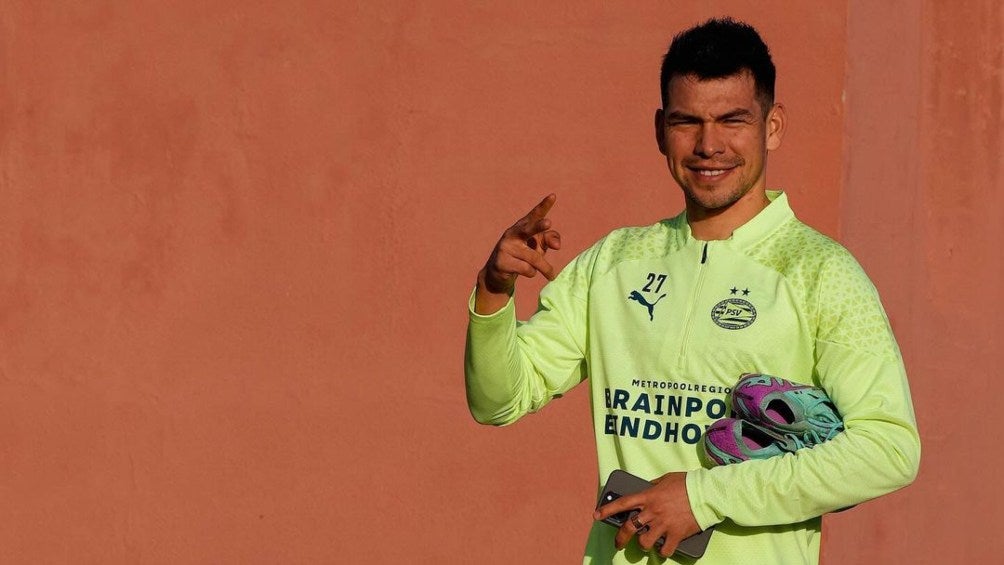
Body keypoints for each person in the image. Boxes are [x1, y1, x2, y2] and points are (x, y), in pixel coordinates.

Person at [464, 17, 920, 564]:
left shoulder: (822, 272)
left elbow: (888, 450)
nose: (708, 145)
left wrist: (703, 498)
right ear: (661, 130)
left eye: (733, 120)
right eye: (687, 122)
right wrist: (494, 293)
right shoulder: (613, 263)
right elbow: (498, 401)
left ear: (773, 126)